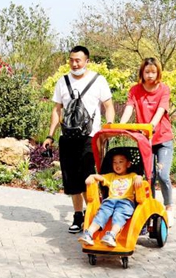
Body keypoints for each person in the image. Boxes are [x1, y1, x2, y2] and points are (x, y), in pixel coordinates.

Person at [43, 45, 114, 233]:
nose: (74, 64)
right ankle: (78, 216)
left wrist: (109, 127)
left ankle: (93, 213)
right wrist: (50, 135)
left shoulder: (98, 80)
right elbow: (57, 110)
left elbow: (108, 106)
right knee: (71, 179)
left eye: (78, 60)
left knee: (88, 177)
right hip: (67, 137)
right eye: (71, 60)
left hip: (90, 137)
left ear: (87, 61)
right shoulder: (62, 81)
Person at [119, 57, 174, 223]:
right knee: (148, 176)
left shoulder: (164, 89)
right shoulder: (135, 90)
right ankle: (149, 208)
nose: (150, 75)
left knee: (163, 175)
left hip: (162, 138)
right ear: (142, 72)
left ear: (158, 72)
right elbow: (129, 108)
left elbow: (161, 109)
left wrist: (151, 125)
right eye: (147, 71)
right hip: (144, 140)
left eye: (153, 72)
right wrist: (121, 124)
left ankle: (169, 207)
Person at [77, 149, 143, 247]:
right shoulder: (111, 176)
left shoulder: (132, 176)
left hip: (125, 202)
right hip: (110, 201)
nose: (117, 165)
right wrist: (91, 176)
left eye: (121, 162)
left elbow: (139, 178)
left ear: (128, 164)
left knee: (119, 215)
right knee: (102, 213)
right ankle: (89, 233)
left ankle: (111, 235)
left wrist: (139, 178)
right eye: (114, 162)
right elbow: (99, 177)